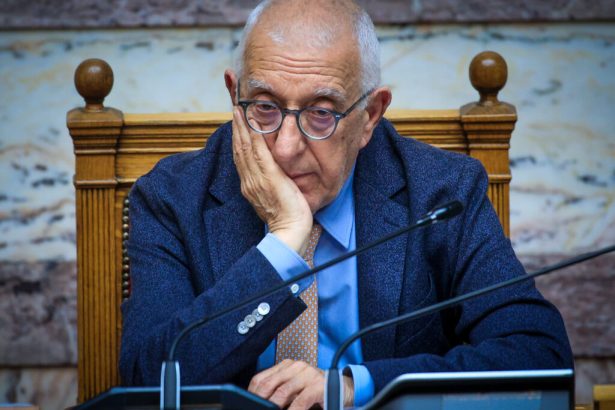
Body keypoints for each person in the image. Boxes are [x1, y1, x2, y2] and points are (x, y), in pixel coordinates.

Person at [119, 0, 573, 408]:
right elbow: (147, 383)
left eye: (321, 113)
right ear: (234, 96)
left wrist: (356, 387)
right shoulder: (172, 198)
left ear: (370, 115)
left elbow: (539, 357)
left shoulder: (442, 192)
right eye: (265, 107)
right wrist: (282, 246)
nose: (285, 148)